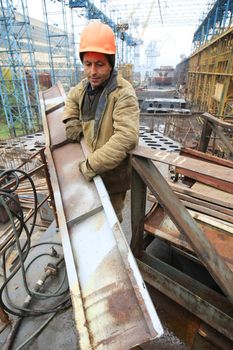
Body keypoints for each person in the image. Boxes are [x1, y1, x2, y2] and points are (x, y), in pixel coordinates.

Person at [63, 21, 139, 222]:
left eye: (100, 64)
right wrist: (71, 119)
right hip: (90, 166)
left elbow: (126, 138)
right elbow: (71, 97)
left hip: (111, 176)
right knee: (88, 220)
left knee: (109, 222)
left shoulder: (123, 94)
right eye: (88, 64)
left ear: (111, 63)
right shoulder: (84, 87)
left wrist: (90, 165)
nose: (93, 72)